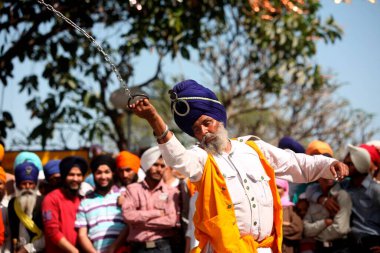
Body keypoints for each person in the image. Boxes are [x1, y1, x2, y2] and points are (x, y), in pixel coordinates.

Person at [129, 79, 348, 252]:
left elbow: (296, 164)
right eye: (197, 129)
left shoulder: (254, 149)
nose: (204, 131)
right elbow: (178, 160)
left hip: (265, 249)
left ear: (219, 120)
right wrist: (154, 119)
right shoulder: (201, 158)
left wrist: (329, 164)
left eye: (207, 123)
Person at [122, 146, 180, 253]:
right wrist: (157, 213)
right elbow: (127, 215)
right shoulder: (133, 189)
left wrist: (139, 221)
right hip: (138, 247)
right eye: (155, 165)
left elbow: (171, 221)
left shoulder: (172, 192)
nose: (159, 169)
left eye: (162, 166)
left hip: (163, 247)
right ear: (147, 166)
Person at [76, 154, 127, 253]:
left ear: (113, 173)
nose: (103, 177)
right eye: (99, 172)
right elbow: (82, 234)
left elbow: (129, 226)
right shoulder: (85, 202)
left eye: (107, 172)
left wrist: (113, 248)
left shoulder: (124, 195)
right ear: (93, 175)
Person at [41, 156, 88, 253]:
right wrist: (74, 251)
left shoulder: (83, 199)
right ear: (63, 176)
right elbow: (52, 231)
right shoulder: (51, 199)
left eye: (79, 175)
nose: (75, 179)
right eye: (71, 175)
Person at [8, 162, 45, 253]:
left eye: (31, 183)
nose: (27, 187)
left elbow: (48, 235)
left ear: (35, 185)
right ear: (17, 185)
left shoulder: (44, 202)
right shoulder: (12, 203)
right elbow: (13, 233)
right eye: (24, 183)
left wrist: (27, 249)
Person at [275, 179, 303, 253]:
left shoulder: (290, 208)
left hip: (286, 248)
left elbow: (297, 229)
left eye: (278, 187)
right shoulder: (267, 208)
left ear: (285, 190)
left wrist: (275, 228)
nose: (275, 189)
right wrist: (284, 225)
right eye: (273, 186)